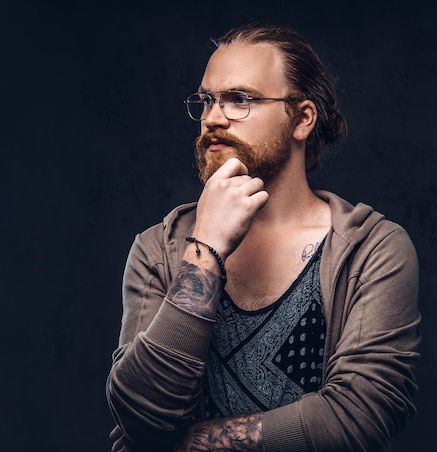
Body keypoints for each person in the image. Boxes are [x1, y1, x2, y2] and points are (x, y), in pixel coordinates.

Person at [106, 23, 421, 452]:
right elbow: (141, 413)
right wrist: (206, 251)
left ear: (302, 118)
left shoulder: (372, 249)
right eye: (206, 100)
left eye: (240, 100)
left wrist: (178, 446)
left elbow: (354, 420)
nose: (213, 118)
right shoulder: (159, 249)